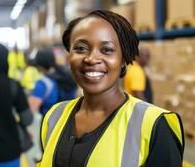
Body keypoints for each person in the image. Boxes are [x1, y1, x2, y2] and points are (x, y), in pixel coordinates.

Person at [37, 10, 184, 167]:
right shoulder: (54, 116)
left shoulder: (155, 126)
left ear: (123, 60)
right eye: (80, 48)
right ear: (69, 57)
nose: (91, 59)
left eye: (107, 50)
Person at [28, 49, 77, 115]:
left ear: (39, 66)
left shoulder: (42, 83)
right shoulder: (67, 77)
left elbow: (30, 111)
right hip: (70, 119)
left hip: (51, 123)